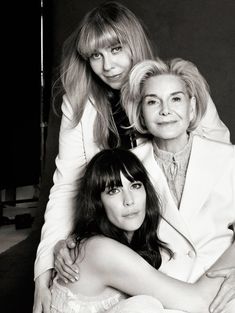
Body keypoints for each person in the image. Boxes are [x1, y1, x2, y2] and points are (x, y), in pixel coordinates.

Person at [33, 1, 231, 312]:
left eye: (115, 49)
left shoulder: (174, 86)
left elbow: (218, 166)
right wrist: (44, 271)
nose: (107, 65)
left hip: (188, 249)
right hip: (123, 242)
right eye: (95, 56)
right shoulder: (82, 102)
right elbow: (69, 186)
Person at [50, 147, 226, 313]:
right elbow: (200, 301)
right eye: (113, 191)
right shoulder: (101, 251)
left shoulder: (126, 241)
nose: (129, 200)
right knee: (144, 306)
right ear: (97, 202)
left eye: (135, 186)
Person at [121, 57, 235, 312]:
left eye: (175, 99)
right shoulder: (125, 166)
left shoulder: (229, 158)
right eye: (152, 101)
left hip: (221, 286)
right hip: (159, 291)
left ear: (192, 107)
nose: (165, 110)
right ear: (140, 111)